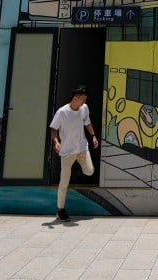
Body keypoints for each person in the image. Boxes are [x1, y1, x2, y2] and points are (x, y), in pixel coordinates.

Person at [49, 85, 99, 221]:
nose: (84, 102)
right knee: (64, 182)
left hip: (82, 148)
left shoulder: (84, 108)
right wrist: (56, 142)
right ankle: (60, 210)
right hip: (67, 151)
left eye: (85, 99)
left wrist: (93, 136)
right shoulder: (62, 112)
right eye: (83, 99)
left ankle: (79, 165)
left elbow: (87, 123)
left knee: (89, 171)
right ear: (75, 98)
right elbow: (53, 128)